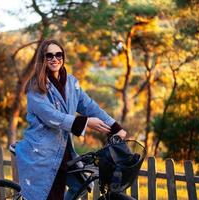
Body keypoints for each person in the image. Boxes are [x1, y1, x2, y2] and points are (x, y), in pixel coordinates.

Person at [15, 39, 127, 200]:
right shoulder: (35, 88)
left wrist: (115, 127)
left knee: (80, 186)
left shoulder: (71, 82)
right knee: (48, 194)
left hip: (64, 149)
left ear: (63, 57)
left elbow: (89, 106)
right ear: (43, 59)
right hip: (43, 151)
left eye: (58, 54)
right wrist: (86, 122)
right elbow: (51, 116)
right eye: (49, 55)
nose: (55, 59)